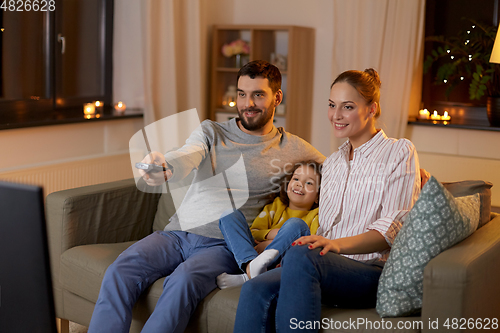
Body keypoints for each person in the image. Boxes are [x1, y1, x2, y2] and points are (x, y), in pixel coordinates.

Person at [87, 60, 324, 333]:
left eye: (258, 94)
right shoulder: (212, 131)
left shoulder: (293, 148)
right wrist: (166, 165)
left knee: (183, 280)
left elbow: (338, 173)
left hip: (224, 245)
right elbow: (189, 153)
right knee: (119, 271)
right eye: (242, 94)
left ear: (277, 98)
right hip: (176, 234)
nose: (248, 103)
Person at [234, 68, 421, 333]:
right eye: (332, 105)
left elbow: (390, 231)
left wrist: (334, 245)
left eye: (348, 107)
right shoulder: (331, 163)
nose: (336, 115)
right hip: (322, 265)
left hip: (370, 271)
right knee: (254, 288)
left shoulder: (399, 152)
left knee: (302, 256)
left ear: (371, 109)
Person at [217, 160, 322, 289]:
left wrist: (271, 243)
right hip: (255, 253)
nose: (300, 184)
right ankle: (250, 267)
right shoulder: (275, 206)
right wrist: (271, 233)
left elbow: (310, 243)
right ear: (288, 183)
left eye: (309, 183)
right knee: (229, 214)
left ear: (318, 196)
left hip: (282, 259)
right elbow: (254, 232)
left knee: (296, 225)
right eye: (296, 179)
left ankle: (247, 276)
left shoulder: (315, 215)